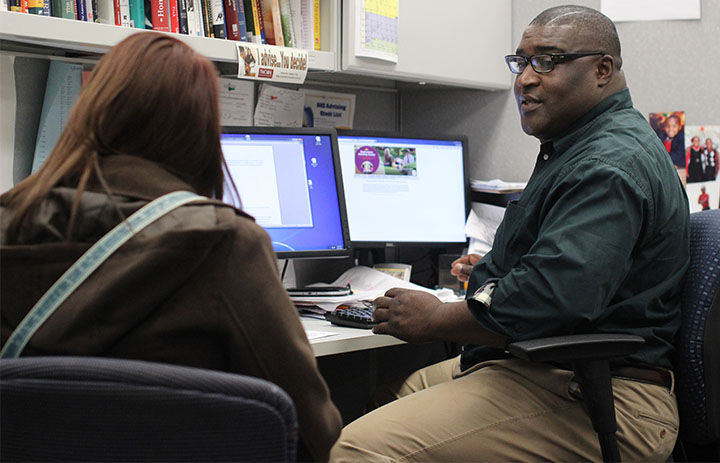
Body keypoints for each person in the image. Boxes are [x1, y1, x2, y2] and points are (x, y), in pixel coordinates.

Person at [330, 5, 688, 462]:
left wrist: (437, 319)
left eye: (548, 60)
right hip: (553, 369)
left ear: (603, 70)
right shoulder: (578, 146)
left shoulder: (607, 165)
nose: (525, 79)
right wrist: (501, 272)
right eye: (520, 62)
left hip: (612, 399)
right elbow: (572, 272)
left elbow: (554, 299)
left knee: (357, 448)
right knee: (387, 397)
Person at [0, 33, 341, 461]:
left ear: (90, 111)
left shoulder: (8, 223)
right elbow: (316, 434)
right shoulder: (225, 244)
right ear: (200, 132)